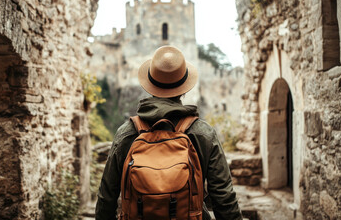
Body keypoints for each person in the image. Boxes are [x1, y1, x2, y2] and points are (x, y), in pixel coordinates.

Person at [95, 45, 243, 220]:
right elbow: (223, 198)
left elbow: (106, 197)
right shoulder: (202, 133)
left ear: (150, 85)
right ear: (184, 89)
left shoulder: (127, 133)